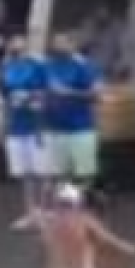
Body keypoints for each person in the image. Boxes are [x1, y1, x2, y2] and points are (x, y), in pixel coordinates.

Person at [0, 33, 50, 229]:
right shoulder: (6, 67)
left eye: (20, 41)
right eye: (13, 41)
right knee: (25, 173)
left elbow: (47, 92)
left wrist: (30, 99)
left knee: (42, 171)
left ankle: (45, 211)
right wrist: (3, 123)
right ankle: (30, 212)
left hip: (37, 125)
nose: (16, 45)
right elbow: (5, 97)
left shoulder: (38, 65)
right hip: (16, 126)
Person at [42, 31, 99, 194]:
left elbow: (95, 94)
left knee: (83, 173)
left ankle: (81, 206)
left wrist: (68, 92)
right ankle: (54, 210)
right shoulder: (49, 65)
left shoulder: (84, 65)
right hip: (55, 127)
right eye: (55, 43)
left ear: (72, 45)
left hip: (80, 128)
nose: (57, 47)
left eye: (61, 43)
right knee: (55, 174)